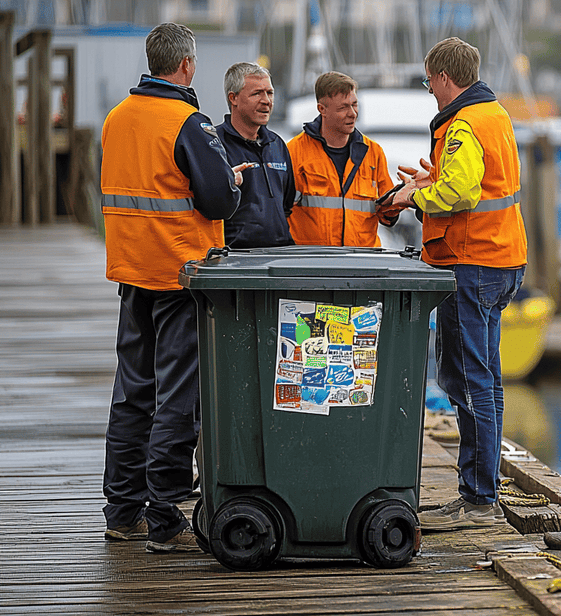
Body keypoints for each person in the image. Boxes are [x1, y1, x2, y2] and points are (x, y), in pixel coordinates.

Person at [100, 22, 244, 553]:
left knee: (132, 394)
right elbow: (217, 200)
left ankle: (121, 509)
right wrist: (234, 181)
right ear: (186, 66)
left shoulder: (117, 117)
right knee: (177, 399)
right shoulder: (189, 122)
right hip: (179, 277)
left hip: (132, 274)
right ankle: (164, 515)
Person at [381, 37, 527, 531]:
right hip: (503, 259)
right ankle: (481, 491)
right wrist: (433, 178)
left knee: (467, 381)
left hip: (472, 262)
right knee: (486, 379)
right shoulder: (496, 115)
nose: (430, 92)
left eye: (428, 83)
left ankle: (478, 498)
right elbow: (483, 183)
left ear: (444, 78)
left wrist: (412, 198)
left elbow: (462, 193)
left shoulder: (462, 124)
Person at [286, 71, 396, 247]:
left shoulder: (373, 153)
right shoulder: (294, 152)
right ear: (322, 109)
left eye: (354, 104)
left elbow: (387, 214)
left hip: (363, 262)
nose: (352, 113)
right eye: (343, 107)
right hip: (311, 263)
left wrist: (402, 198)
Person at [216, 62, 295, 248]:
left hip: (279, 256)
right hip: (234, 259)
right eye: (257, 93)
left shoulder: (277, 144)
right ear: (233, 98)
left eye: (270, 93)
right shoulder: (214, 145)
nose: (266, 100)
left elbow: (286, 205)